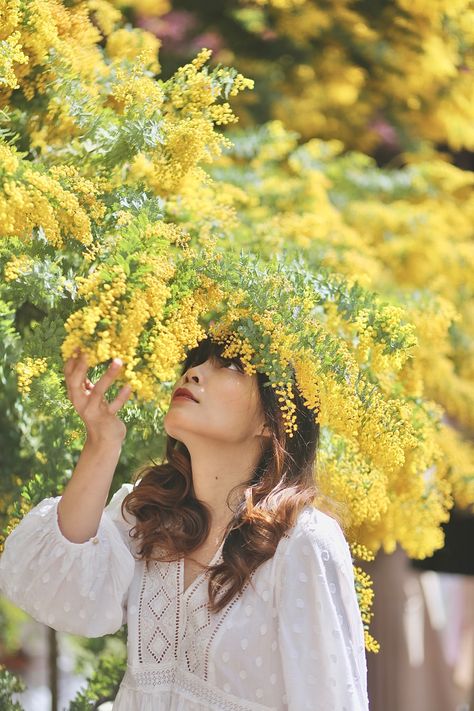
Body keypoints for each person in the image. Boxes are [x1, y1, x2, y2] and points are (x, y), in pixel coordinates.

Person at [0, 334, 369, 710]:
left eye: (231, 365)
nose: (193, 372)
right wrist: (102, 442)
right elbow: (62, 591)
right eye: (196, 360)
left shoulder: (302, 542)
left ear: (273, 420)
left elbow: (332, 700)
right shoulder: (152, 514)